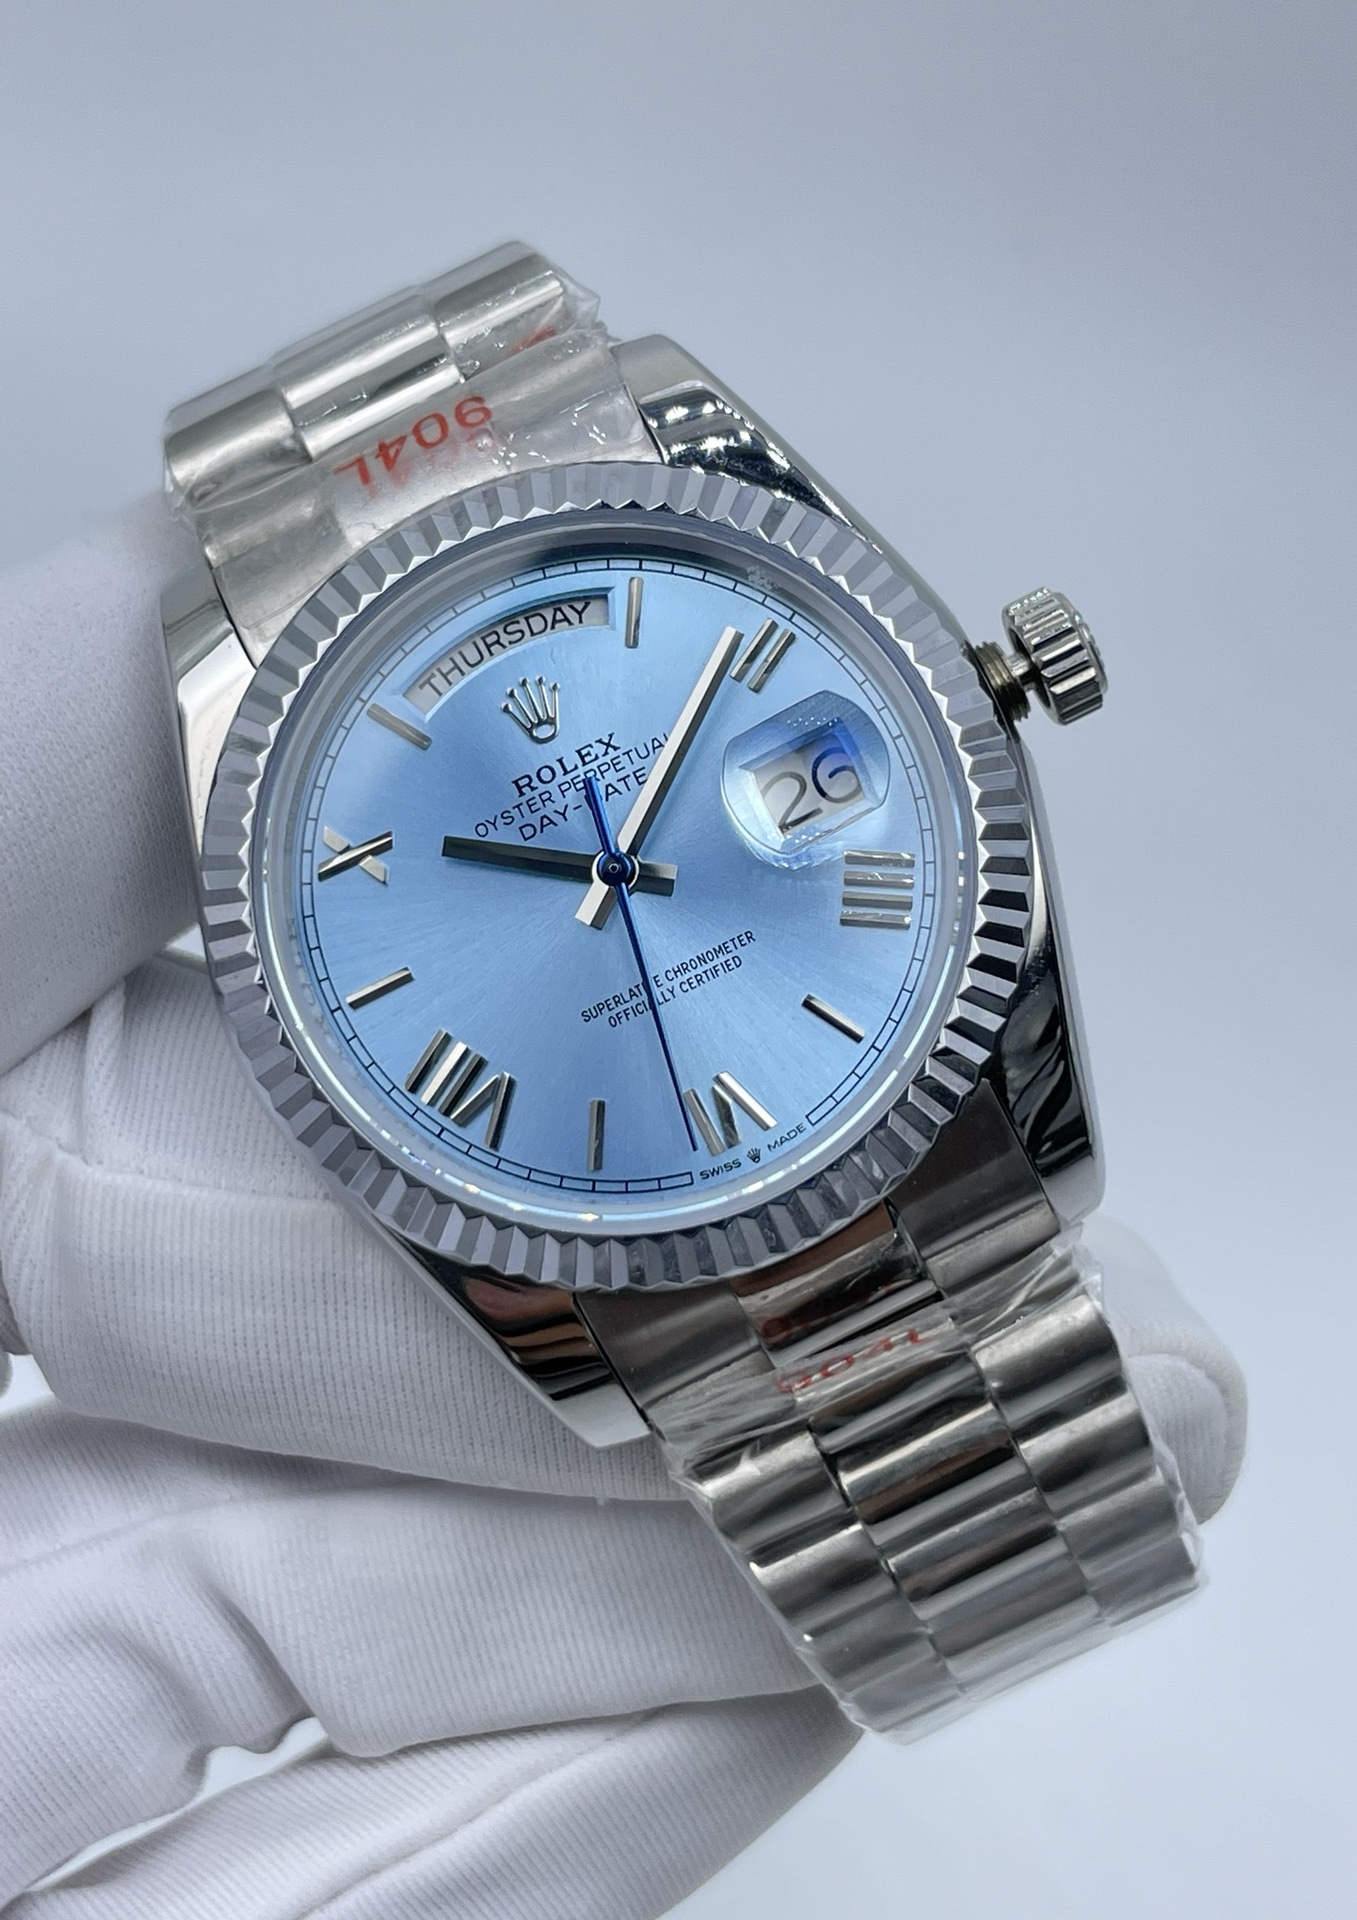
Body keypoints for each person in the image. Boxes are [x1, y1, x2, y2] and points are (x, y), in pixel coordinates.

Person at [0, 500, 1246, 1919]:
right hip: (624, 1258)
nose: (611, 878)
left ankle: (998, 1580)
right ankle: (981, 1592)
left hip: (897, 1116)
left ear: (996, 682)